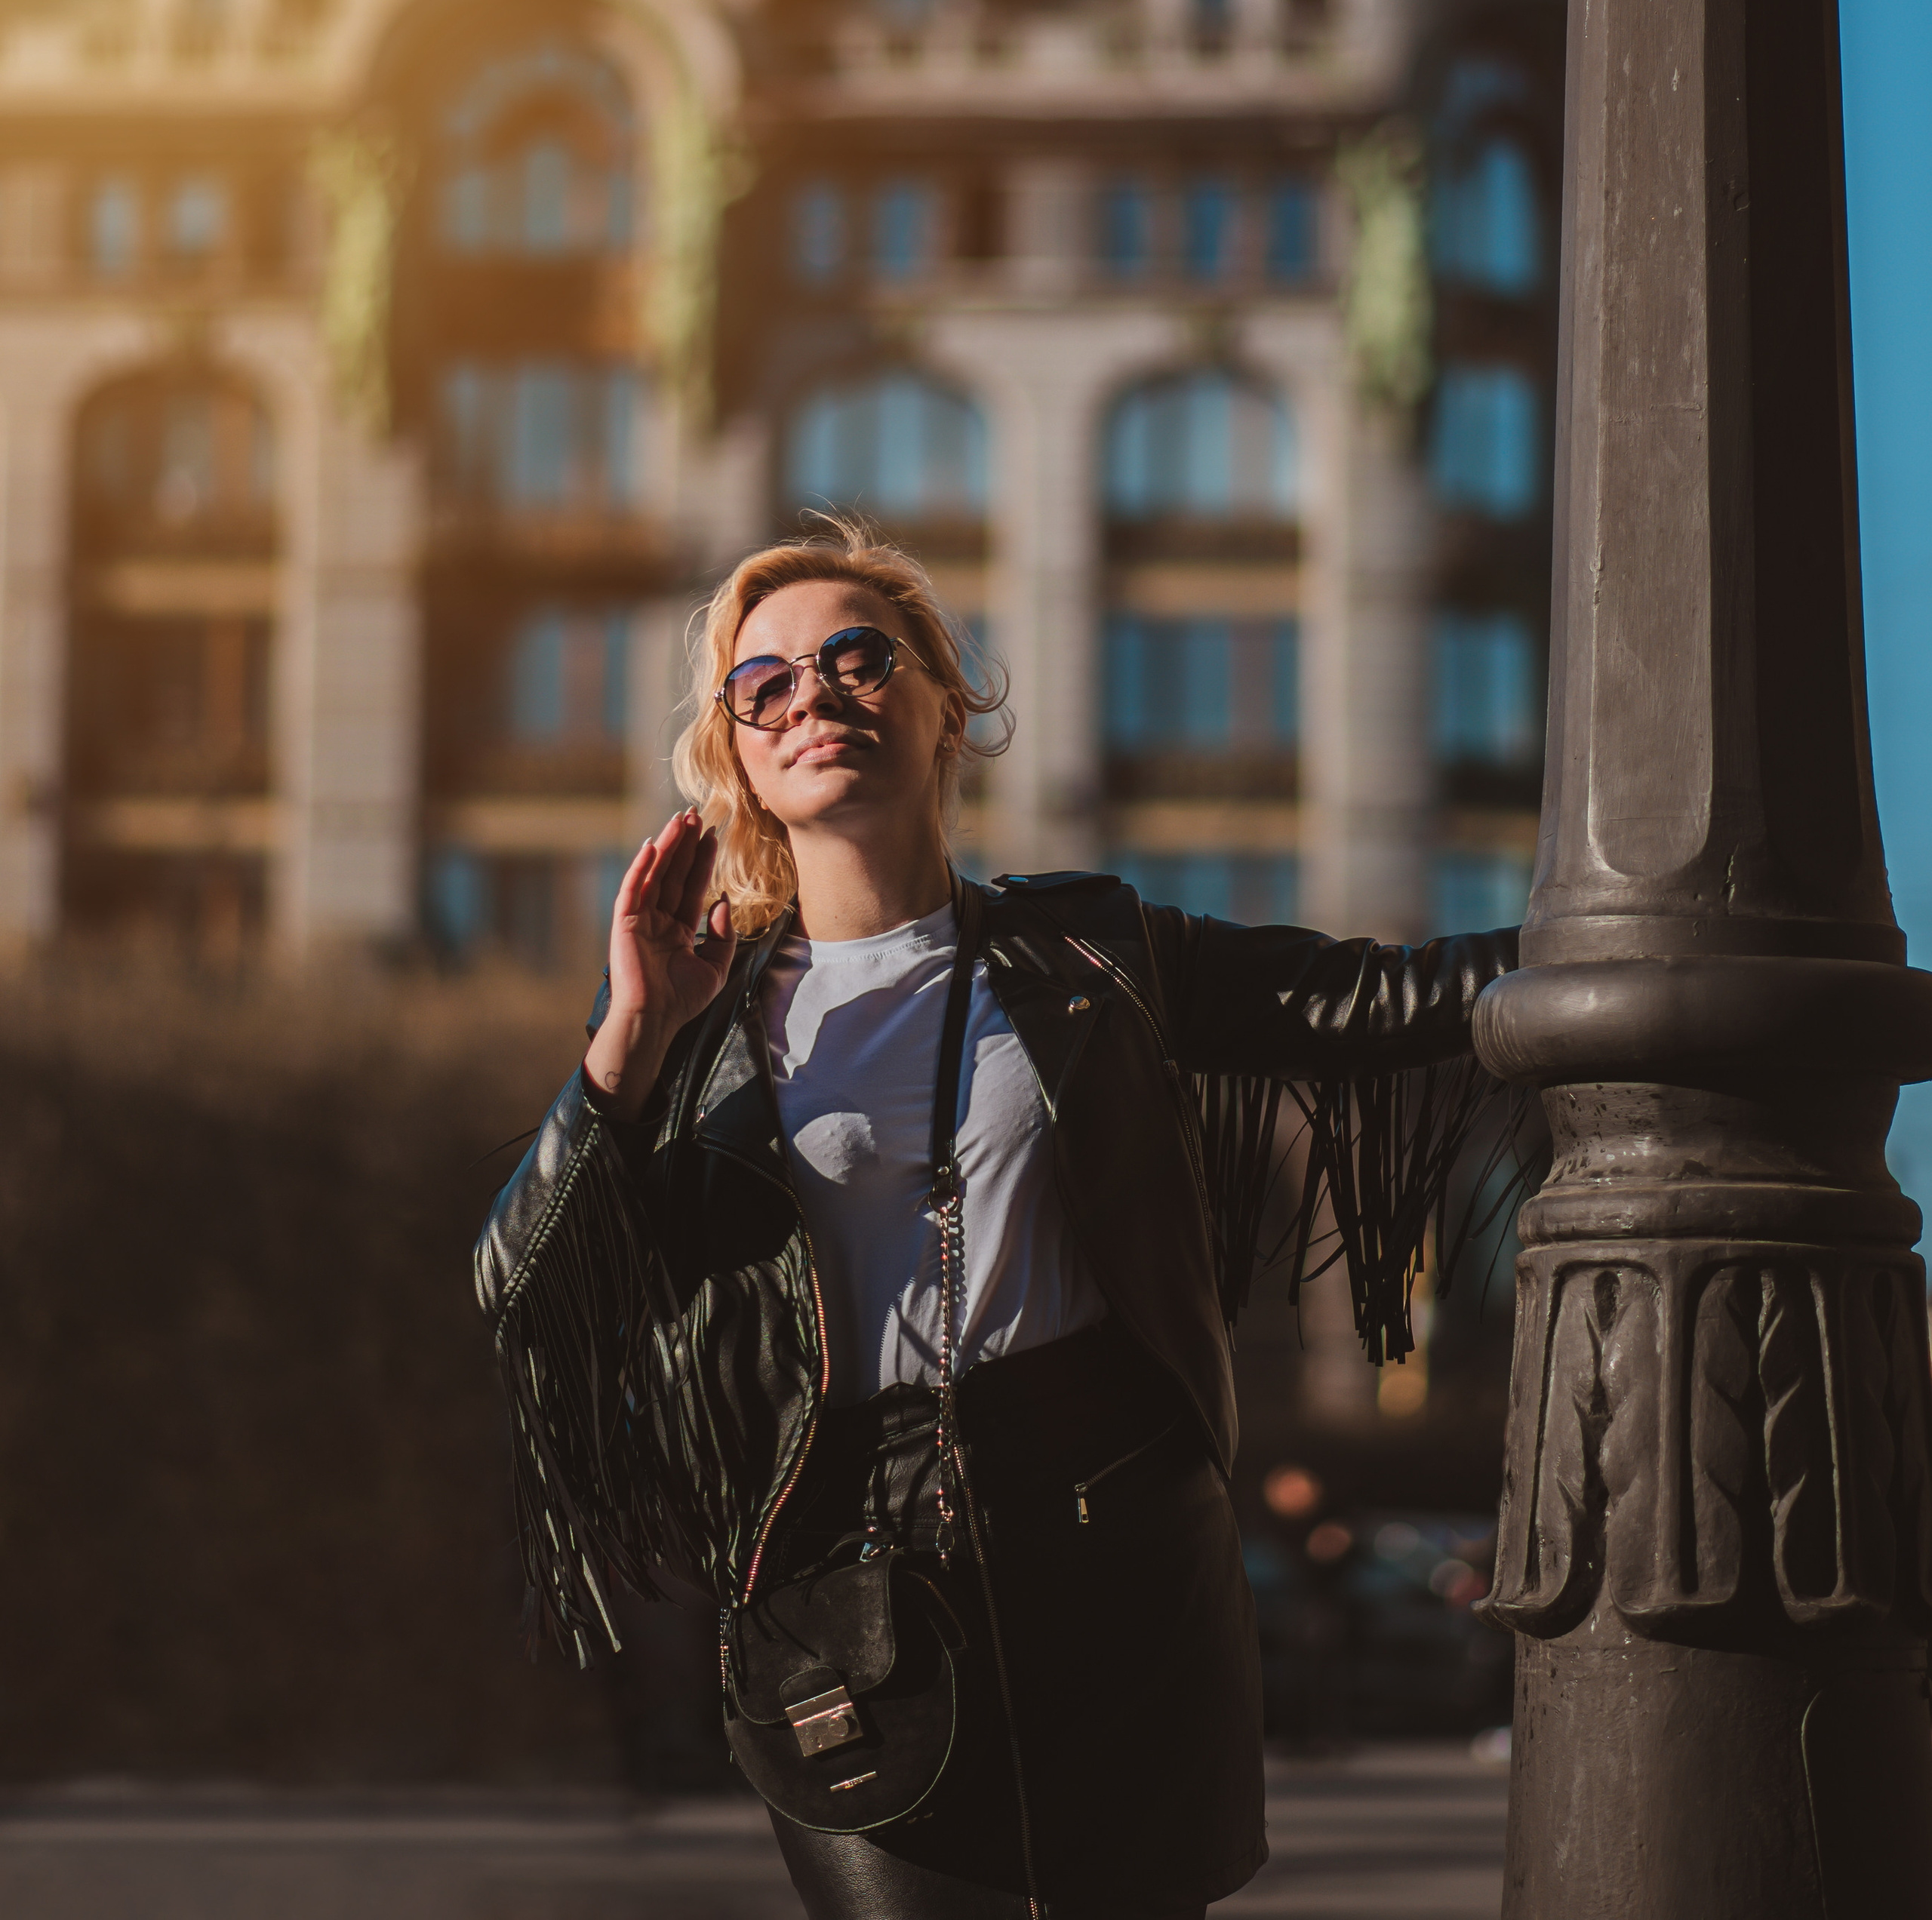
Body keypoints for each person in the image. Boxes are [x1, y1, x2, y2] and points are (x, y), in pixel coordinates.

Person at [475, 523, 1517, 1920]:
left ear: (943, 708)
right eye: (764, 684)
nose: (812, 697)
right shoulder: (696, 1034)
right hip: (843, 1582)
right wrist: (629, 1031)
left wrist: (1623, 939)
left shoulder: (1089, 949)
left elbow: (1371, 997)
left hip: (1118, 1542)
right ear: (735, 752)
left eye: (857, 658)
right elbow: (522, 1284)